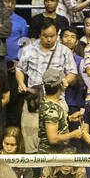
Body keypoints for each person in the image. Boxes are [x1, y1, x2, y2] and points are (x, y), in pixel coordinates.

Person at [16, 22, 76, 152]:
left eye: (52, 36)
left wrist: (66, 80)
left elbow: (72, 72)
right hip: (34, 100)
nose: (49, 39)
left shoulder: (64, 51)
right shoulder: (29, 49)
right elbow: (20, 69)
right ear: (40, 35)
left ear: (57, 35)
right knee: (31, 140)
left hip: (57, 99)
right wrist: (21, 83)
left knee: (57, 140)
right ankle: (35, 170)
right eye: (45, 36)